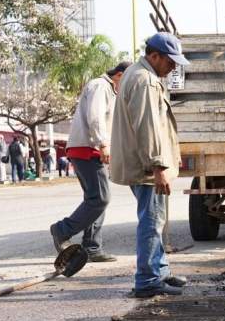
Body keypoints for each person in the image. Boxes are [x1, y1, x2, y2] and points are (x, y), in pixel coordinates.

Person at [111, 33, 188, 298]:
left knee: (156, 219)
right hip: (146, 166)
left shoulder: (139, 74)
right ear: (154, 56)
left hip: (144, 162)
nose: (173, 67)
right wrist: (158, 165)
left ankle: (159, 271)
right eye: (170, 61)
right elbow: (147, 127)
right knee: (152, 222)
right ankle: (148, 280)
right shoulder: (145, 80)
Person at [48, 62, 130, 262]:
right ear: (120, 75)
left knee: (96, 199)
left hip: (92, 149)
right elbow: (95, 117)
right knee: (100, 198)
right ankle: (62, 229)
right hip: (86, 148)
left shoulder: (111, 90)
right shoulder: (99, 86)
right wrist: (103, 144)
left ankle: (92, 247)